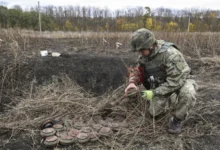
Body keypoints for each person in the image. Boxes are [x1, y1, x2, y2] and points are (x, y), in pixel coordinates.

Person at [125, 28, 198, 134]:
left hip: (180, 81)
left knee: (188, 93)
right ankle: (171, 100)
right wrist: (132, 82)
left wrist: (154, 93)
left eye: (141, 50)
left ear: (150, 46)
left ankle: (177, 119)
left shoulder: (171, 54)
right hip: (162, 85)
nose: (140, 53)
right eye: (138, 51)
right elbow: (137, 71)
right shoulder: (145, 55)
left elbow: (175, 82)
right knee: (154, 113)